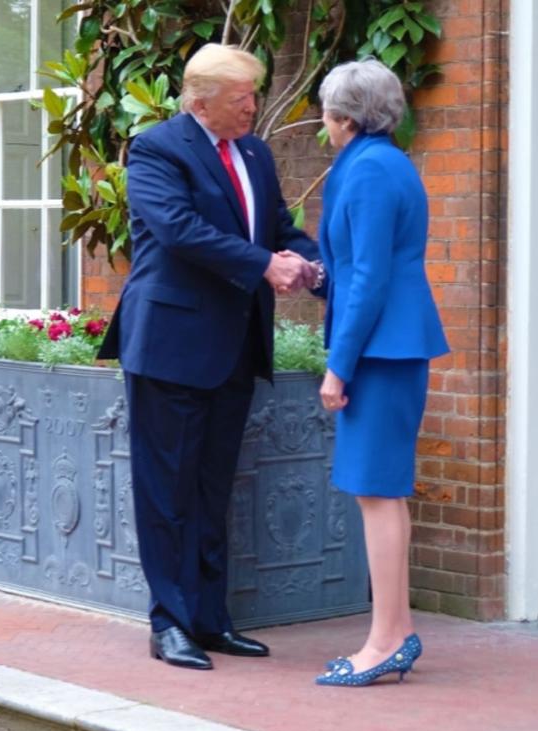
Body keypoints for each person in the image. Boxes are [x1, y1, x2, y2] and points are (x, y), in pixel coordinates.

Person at [98, 44, 320, 670]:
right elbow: (177, 229)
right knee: (165, 491)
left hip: (235, 344)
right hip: (170, 345)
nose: (253, 106)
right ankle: (168, 624)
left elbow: (276, 225)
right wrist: (263, 265)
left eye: (253, 94)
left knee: (212, 488)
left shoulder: (254, 150)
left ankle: (211, 620)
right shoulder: (157, 149)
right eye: (241, 97)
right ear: (200, 102)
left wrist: (308, 260)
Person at [310, 59, 449, 687]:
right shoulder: (386, 163)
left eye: (326, 111)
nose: (323, 122)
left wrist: (338, 368)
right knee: (382, 491)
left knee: (377, 492)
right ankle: (395, 631)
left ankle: (386, 639)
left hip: (380, 352)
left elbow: (368, 279)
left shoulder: (367, 171)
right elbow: (360, 269)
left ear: (344, 116)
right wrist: (317, 276)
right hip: (391, 344)